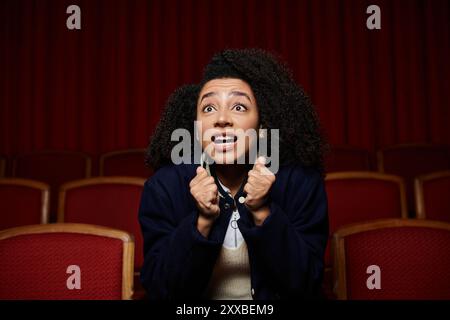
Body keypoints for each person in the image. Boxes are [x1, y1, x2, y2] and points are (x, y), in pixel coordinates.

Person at [139, 48, 328, 300]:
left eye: (239, 107)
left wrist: (263, 212)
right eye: (208, 108)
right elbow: (161, 289)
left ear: (262, 126)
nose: (222, 119)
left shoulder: (300, 183)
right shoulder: (163, 187)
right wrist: (202, 222)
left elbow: (306, 285)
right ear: (196, 128)